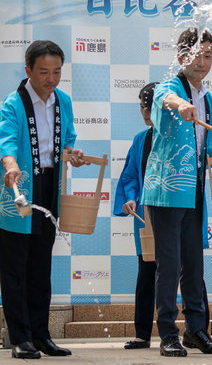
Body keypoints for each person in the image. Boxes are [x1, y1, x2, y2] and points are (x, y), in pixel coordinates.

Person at [140, 27, 212, 357]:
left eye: (208, 55)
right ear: (181, 55)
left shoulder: (208, 98)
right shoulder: (168, 87)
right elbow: (166, 100)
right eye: (196, 54)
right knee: (168, 265)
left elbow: (208, 150)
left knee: (194, 264)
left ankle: (196, 330)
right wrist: (181, 105)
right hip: (166, 191)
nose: (202, 62)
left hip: (193, 191)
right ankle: (167, 332)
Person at [0, 40, 88, 359]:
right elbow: (5, 142)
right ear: (28, 71)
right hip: (19, 190)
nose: (50, 79)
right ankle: (20, 337)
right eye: (43, 72)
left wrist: (73, 154)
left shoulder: (62, 100)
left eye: (56, 72)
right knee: (14, 270)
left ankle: (41, 335)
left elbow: (67, 143)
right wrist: (10, 168)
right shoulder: (13, 104)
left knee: (40, 266)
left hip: (49, 187)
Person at [113, 83, 212, 350]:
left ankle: (197, 329)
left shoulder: (180, 134)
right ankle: (144, 333)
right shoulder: (140, 140)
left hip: (182, 204)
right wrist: (131, 197)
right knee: (149, 272)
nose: (146, 114)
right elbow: (130, 176)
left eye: (149, 108)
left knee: (191, 268)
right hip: (149, 211)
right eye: (143, 108)